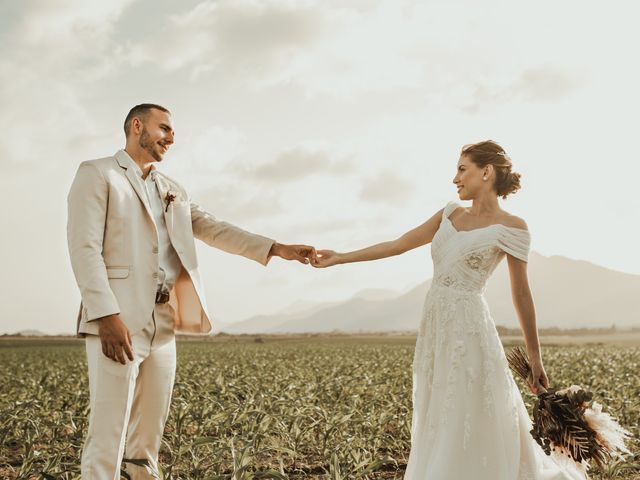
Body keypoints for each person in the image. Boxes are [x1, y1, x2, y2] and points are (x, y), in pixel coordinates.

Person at [67, 103, 316, 479]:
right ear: (137, 126)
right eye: (164, 128)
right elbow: (83, 248)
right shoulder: (98, 174)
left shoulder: (172, 189)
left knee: (148, 437)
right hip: (118, 321)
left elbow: (215, 229)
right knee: (108, 434)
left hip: (163, 325)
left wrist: (276, 248)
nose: (171, 138)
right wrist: (106, 315)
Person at [311, 140, 587, 479]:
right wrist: (340, 257)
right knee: (439, 406)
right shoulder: (448, 213)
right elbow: (397, 245)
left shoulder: (513, 227)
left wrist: (535, 357)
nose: (454, 178)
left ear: (486, 172)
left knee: (467, 406)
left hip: (469, 327)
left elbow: (522, 294)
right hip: (436, 326)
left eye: (461, 169)